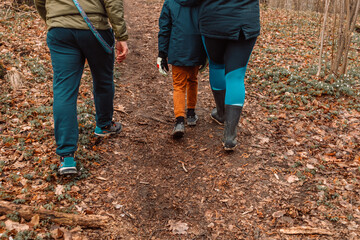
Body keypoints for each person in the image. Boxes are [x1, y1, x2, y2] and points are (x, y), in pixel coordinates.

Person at [35, 0, 129, 175]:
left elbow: (39, 1)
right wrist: (121, 36)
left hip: (60, 31)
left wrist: (54, 21)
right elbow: (112, 2)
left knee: (64, 91)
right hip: (95, 28)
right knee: (103, 79)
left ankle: (67, 158)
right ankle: (104, 124)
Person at [198, 0, 260, 150]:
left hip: (213, 19)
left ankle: (221, 113)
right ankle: (229, 136)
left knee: (216, 65)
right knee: (235, 76)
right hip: (245, 20)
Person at [157, 0, 207, 138]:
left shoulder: (170, 3)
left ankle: (179, 121)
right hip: (197, 48)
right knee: (193, 80)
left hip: (177, 48)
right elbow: (207, 25)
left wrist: (162, 53)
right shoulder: (202, 3)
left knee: (179, 85)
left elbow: (165, 28)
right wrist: (207, 53)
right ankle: (191, 114)